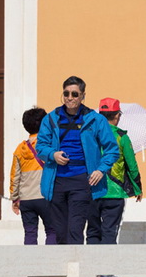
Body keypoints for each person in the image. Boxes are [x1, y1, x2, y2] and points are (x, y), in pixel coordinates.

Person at [37, 76, 121, 245]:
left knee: (75, 229)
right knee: (60, 232)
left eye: (74, 94)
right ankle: (64, 262)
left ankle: (76, 262)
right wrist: (53, 155)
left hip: (82, 180)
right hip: (56, 180)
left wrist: (100, 170)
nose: (70, 98)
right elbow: (40, 147)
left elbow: (112, 150)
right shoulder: (51, 118)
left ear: (83, 96)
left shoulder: (96, 120)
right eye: (66, 93)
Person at [88, 98, 142, 245]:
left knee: (92, 231)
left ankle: (91, 260)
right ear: (117, 115)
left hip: (91, 190)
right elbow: (132, 166)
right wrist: (137, 188)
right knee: (109, 232)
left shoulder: (89, 135)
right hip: (115, 192)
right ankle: (107, 260)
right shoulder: (122, 137)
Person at [9, 107, 56, 245]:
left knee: (30, 232)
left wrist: (15, 198)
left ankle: (30, 258)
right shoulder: (49, 145)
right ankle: (51, 257)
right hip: (46, 195)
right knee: (52, 230)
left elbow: (14, 176)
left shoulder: (20, 149)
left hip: (26, 198)